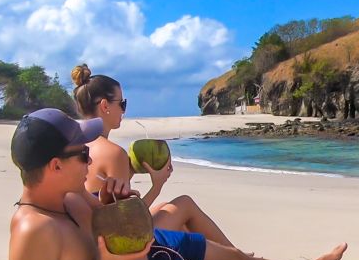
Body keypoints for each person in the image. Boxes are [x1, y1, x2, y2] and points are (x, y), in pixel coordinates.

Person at [7, 108, 346, 260]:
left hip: (155, 247)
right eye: (83, 154)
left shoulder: (70, 193)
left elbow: (99, 228)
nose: (90, 160)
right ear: (54, 166)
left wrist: (113, 205)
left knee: (240, 258)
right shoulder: (34, 230)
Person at [69, 64, 235, 247]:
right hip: (112, 244)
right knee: (184, 204)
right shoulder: (113, 153)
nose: (124, 110)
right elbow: (128, 222)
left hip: (88, 237)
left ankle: (230, 255)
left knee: (168, 211)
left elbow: (105, 200)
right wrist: (158, 184)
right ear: (105, 105)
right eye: (122, 103)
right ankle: (236, 256)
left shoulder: (75, 146)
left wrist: (130, 171)